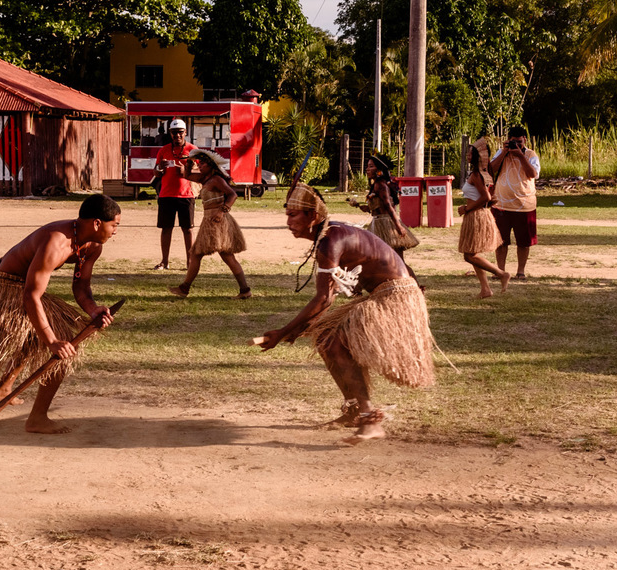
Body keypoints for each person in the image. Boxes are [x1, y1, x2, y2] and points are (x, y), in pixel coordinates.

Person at [254, 184, 435, 445]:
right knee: (327, 339)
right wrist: (295, 330)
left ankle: (370, 418)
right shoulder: (329, 236)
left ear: (312, 216)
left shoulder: (330, 241)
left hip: (395, 295)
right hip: (382, 293)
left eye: (294, 215)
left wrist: (283, 332)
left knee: (333, 341)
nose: (288, 222)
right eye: (288, 215)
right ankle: (354, 410)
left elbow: (324, 298)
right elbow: (329, 296)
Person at [0, 195, 121, 434]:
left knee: (38, 338)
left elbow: (81, 287)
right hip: (6, 289)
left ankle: (5, 386)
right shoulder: (57, 242)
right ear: (96, 223)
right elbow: (30, 296)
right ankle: (37, 418)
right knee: (64, 345)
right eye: (114, 224)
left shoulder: (93, 246)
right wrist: (52, 341)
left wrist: (93, 309)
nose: (116, 230)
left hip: (26, 288)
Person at [169, 149, 251, 299]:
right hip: (209, 221)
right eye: (199, 163)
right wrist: (189, 163)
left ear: (212, 165)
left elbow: (232, 194)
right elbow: (186, 175)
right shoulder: (205, 179)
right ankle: (244, 290)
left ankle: (185, 288)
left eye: (203, 163)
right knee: (204, 254)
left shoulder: (216, 179)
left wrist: (222, 211)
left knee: (218, 256)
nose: (200, 166)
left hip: (217, 221)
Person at [457, 138, 509, 298]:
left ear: (477, 156)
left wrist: (466, 208)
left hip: (476, 215)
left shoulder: (476, 174)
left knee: (469, 255)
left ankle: (501, 274)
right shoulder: (483, 173)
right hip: (478, 215)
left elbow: (485, 197)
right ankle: (485, 289)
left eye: (470, 152)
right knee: (471, 254)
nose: (467, 155)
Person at [490, 126, 540, 280]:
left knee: (523, 242)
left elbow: (533, 174)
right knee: (500, 241)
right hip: (501, 204)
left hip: (524, 205)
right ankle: (500, 271)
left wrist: (521, 156)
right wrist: (504, 152)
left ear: (525, 139)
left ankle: (521, 271)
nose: (516, 145)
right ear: (508, 140)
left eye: (519, 142)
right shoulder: (502, 152)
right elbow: (490, 170)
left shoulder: (531, 155)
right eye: (513, 142)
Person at [349, 152, 420, 260]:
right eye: (367, 166)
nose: (367, 169)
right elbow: (379, 206)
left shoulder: (381, 185)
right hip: (377, 223)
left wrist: (398, 227)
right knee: (380, 259)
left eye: (371, 166)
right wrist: (365, 207)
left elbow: (388, 206)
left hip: (387, 224)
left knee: (396, 258)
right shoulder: (376, 185)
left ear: (379, 169)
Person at [153, 119, 196, 271]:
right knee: (166, 228)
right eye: (174, 132)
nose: (177, 135)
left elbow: (201, 172)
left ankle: (190, 262)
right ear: (170, 134)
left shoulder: (193, 150)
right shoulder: (163, 150)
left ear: (185, 132)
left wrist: (185, 172)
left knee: (188, 229)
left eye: (180, 132)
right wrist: (160, 168)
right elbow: (156, 172)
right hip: (166, 195)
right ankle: (164, 262)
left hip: (186, 195)